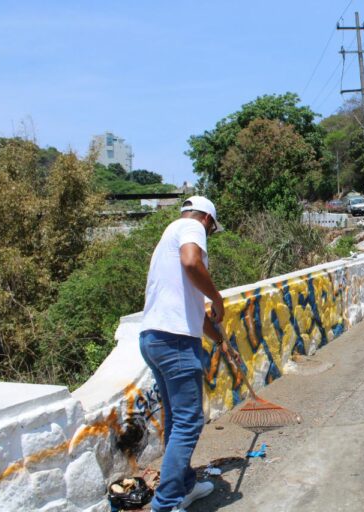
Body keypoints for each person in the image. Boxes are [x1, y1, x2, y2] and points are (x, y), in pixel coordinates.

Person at [139, 196, 226, 512]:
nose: (209, 238)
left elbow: (193, 309)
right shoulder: (191, 225)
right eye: (212, 231)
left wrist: (218, 338)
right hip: (175, 343)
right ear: (207, 220)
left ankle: (185, 484)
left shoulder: (166, 239)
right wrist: (217, 299)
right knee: (189, 422)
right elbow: (192, 263)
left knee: (176, 419)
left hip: (153, 337)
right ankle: (166, 503)